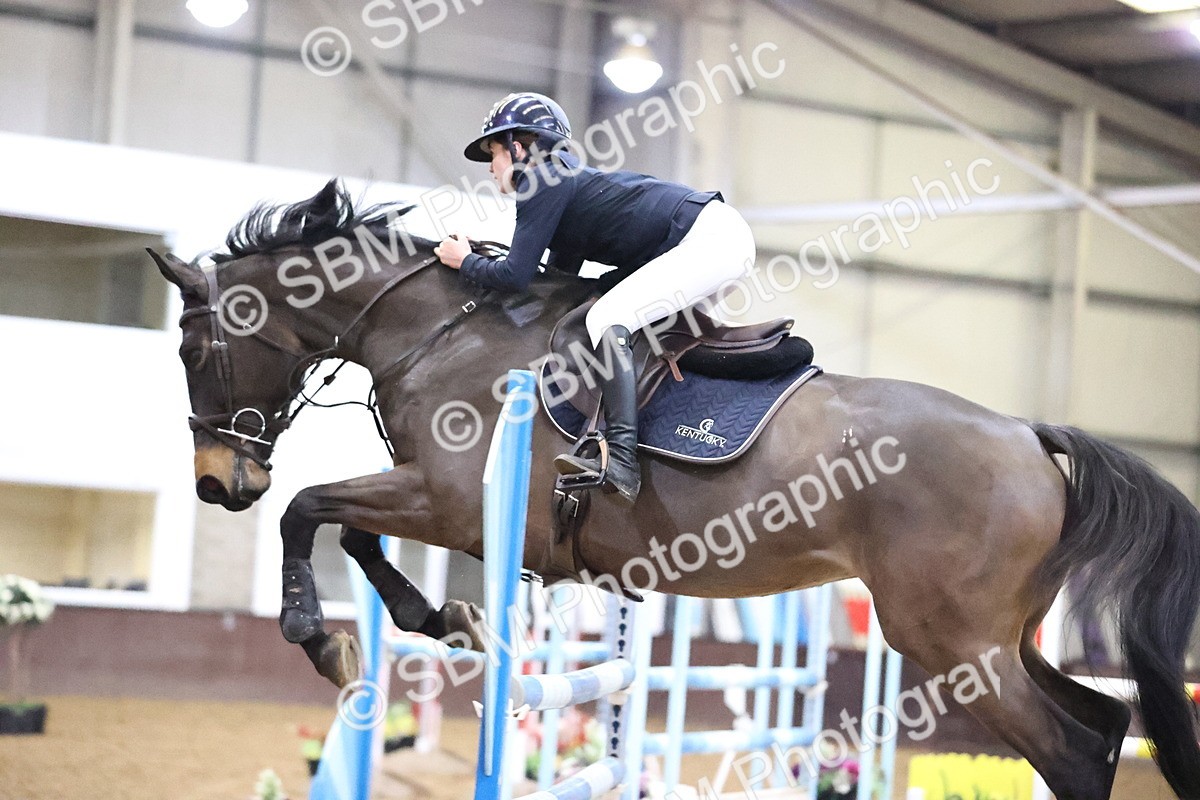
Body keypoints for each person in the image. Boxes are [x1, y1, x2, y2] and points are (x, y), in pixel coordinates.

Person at [434, 92, 756, 505]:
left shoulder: (542, 179)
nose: (491, 168)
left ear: (519, 146)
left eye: (493, 153)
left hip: (709, 239)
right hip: (716, 237)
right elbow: (557, 283)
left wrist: (465, 262)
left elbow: (516, 275)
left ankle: (621, 458)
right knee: (641, 332)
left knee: (608, 319)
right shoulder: (562, 184)